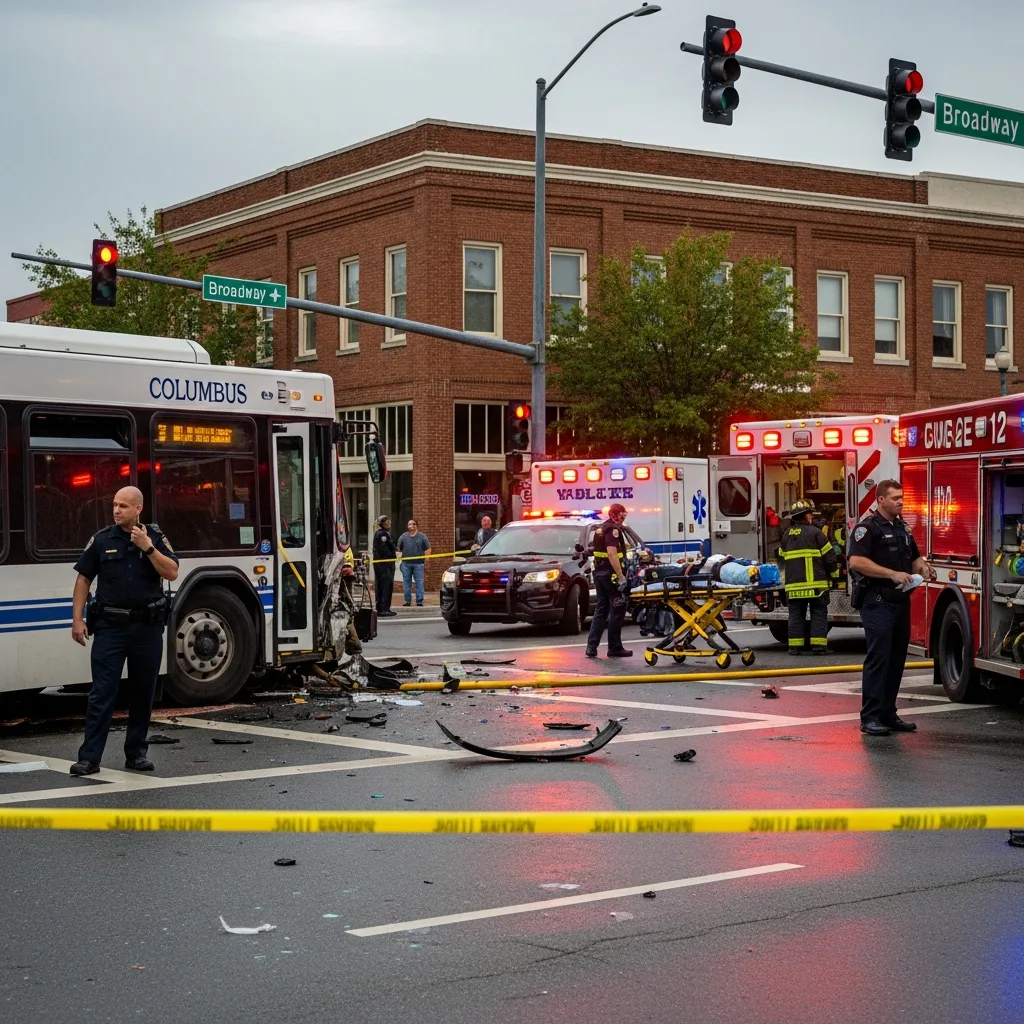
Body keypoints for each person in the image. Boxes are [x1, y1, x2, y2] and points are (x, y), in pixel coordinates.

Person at [69, 486, 179, 775]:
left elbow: (171, 571)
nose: (117, 510)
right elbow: (83, 580)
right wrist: (77, 619)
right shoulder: (103, 539)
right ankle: (89, 758)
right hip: (110, 629)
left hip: (147, 628)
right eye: (115, 505)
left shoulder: (154, 537)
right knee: (102, 693)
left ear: (138, 509)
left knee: (143, 693)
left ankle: (136, 754)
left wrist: (148, 547)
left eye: (123, 506)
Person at [848, 479, 936, 736]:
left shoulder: (902, 528)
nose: (900, 501)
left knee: (897, 658)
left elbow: (915, 558)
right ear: (881, 500)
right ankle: (870, 717)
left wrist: (924, 568)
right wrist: (892, 574)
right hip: (877, 601)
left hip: (899, 602)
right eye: (895, 497)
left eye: (902, 497)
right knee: (879, 658)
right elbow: (856, 562)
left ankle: (888, 713)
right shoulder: (868, 528)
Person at [777, 498, 838, 656]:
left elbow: (782, 557)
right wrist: (834, 575)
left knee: (796, 615)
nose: (811, 517)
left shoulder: (786, 535)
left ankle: (794, 647)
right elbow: (829, 557)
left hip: (793, 585)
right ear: (806, 516)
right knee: (818, 614)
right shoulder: (816, 533)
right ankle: (818, 647)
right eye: (810, 514)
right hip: (815, 585)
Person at [585, 503, 633, 659]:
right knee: (617, 609)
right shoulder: (613, 530)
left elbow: (597, 550)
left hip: (599, 573)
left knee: (601, 610)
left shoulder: (600, 529)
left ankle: (591, 647)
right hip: (610, 575)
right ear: (615, 514)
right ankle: (615, 647)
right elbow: (612, 554)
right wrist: (621, 577)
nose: (622, 519)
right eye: (622, 516)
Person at [396, 519, 431, 607]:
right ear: (407, 526)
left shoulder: (422, 536)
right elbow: (399, 549)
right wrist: (399, 559)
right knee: (407, 583)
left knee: (419, 582)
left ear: (417, 526)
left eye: (414, 524)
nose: (412, 525)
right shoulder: (403, 537)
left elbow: (428, 549)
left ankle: (419, 601)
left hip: (418, 564)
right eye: (410, 524)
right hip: (406, 564)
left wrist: (426, 559)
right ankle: (407, 601)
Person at [372, 515, 397, 616]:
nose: (389, 524)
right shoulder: (382, 535)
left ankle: (382, 608)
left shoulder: (383, 533)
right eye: (386, 522)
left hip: (383, 565)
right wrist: (391, 558)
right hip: (384, 565)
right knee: (385, 586)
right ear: (382, 524)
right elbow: (384, 550)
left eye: (389, 522)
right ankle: (383, 609)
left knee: (382, 586)